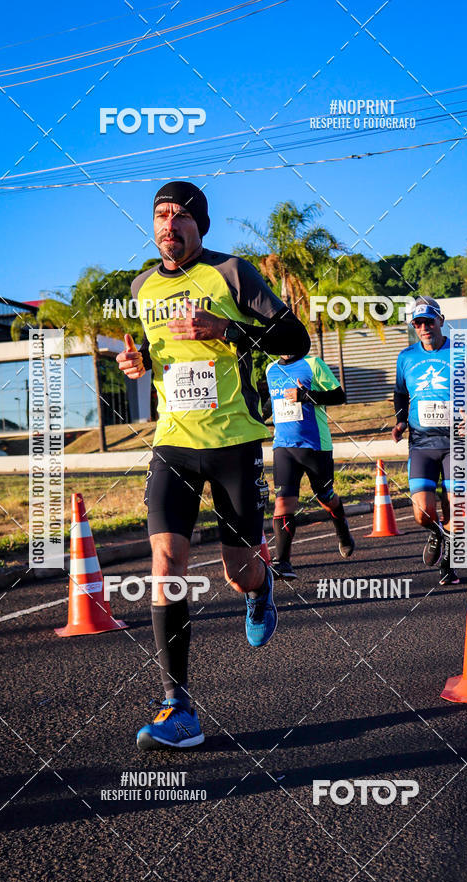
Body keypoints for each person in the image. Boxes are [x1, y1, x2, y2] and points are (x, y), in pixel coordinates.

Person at [116, 181, 310, 750]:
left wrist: (228, 329)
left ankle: (260, 586)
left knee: (237, 571)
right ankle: (177, 706)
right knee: (166, 562)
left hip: (233, 443)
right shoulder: (142, 286)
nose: (168, 224)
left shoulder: (231, 273)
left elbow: (294, 339)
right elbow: (158, 350)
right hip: (173, 442)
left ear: (199, 225)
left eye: (180, 215)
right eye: (160, 214)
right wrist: (138, 360)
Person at [392, 297, 467, 585]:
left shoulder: (462, 352)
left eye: (429, 321)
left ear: (441, 321)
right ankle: (436, 532)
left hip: (456, 443)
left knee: (456, 508)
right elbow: (400, 393)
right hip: (421, 443)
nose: (424, 328)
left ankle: (448, 564)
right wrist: (400, 421)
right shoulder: (406, 357)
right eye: (418, 323)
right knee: (423, 513)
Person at [264, 352, 355, 580]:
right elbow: (270, 403)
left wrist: (306, 395)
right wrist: (256, 417)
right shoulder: (270, 369)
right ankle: (282, 562)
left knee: (325, 496)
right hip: (283, 446)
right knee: (283, 502)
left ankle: (342, 529)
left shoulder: (313, 364)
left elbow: (339, 396)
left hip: (316, 446)